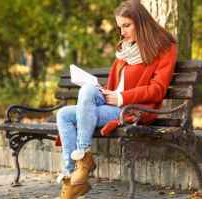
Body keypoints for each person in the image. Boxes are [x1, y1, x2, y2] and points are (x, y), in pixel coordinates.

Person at [56, 0, 177, 198]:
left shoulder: (165, 48)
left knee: (69, 115)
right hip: (111, 101)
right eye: (120, 27)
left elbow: (158, 90)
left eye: (127, 25)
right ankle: (76, 167)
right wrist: (105, 92)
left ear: (142, 22)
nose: (122, 32)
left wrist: (121, 97)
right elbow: (115, 84)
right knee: (68, 109)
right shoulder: (125, 48)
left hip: (132, 109)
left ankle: (77, 173)